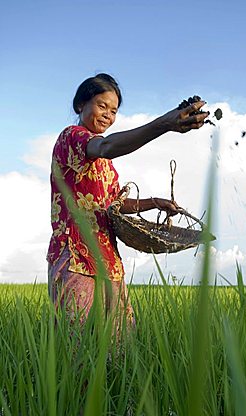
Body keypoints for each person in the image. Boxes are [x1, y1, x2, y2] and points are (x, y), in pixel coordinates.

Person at [47, 73, 209, 333]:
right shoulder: (73, 137)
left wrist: (156, 202)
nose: (107, 116)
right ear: (81, 105)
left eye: (113, 111)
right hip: (76, 256)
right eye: (102, 106)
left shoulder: (106, 164)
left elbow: (115, 205)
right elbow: (106, 146)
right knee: (76, 343)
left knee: (117, 344)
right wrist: (163, 124)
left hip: (108, 260)